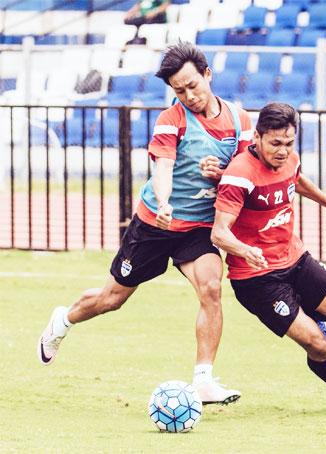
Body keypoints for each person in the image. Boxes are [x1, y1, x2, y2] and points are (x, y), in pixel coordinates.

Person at [37, 41, 253, 406]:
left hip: (198, 229)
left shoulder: (239, 119)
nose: (188, 95)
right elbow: (163, 168)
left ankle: (203, 379)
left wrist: (223, 175)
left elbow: (243, 170)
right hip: (155, 225)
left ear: (208, 75)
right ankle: (64, 320)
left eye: (193, 86)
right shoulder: (172, 119)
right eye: (179, 90)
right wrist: (165, 202)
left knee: (212, 288)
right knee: (111, 299)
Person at [211, 102, 326, 413]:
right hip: (256, 279)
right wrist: (245, 250)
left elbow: (295, 178)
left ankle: (309, 314)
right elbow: (218, 233)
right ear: (256, 138)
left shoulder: (289, 158)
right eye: (275, 143)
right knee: (316, 344)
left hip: (296, 261)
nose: (282, 151)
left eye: (289, 143)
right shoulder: (239, 175)